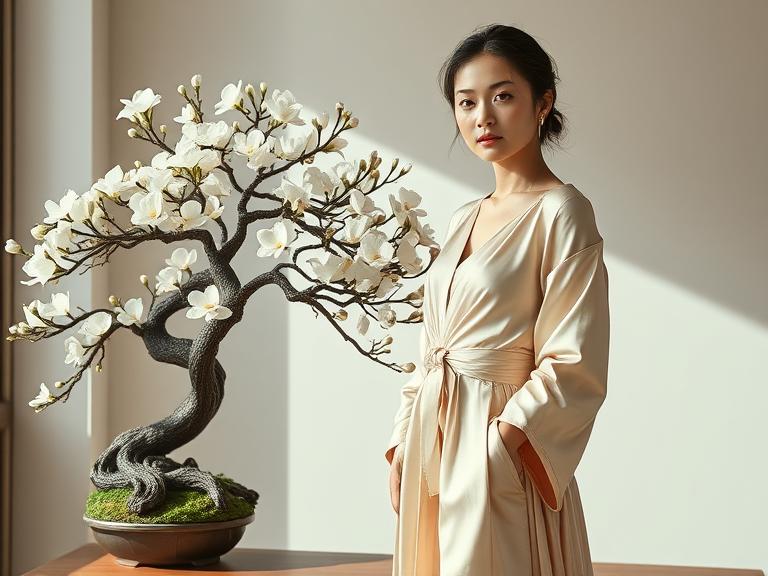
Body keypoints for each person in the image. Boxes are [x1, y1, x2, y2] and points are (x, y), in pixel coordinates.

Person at [384, 23, 610, 576]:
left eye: (502, 96)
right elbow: (432, 348)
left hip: (500, 443)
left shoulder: (563, 212)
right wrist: (404, 441)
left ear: (543, 103)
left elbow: (574, 358)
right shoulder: (464, 218)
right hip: (435, 439)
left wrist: (503, 443)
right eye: (467, 102)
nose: (482, 116)